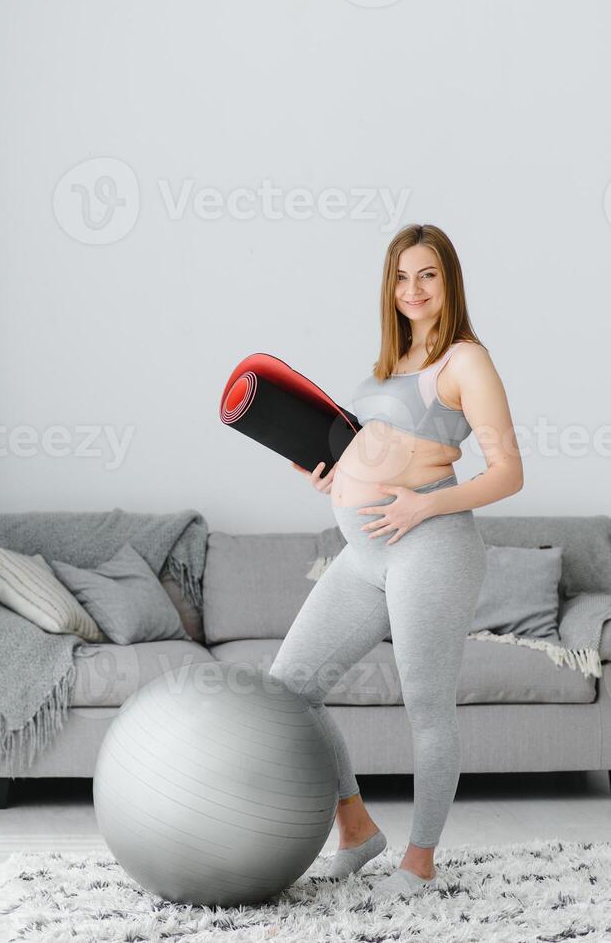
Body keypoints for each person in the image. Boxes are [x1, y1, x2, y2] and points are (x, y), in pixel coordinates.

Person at [268, 222, 523, 901]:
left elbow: (508, 473)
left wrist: (423, 506)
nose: (414, 289)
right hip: (364, 554)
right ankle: (355, 826)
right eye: (402, 277)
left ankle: (421, 858)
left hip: (431, 549)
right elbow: (370, 453)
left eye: (428, 275)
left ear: (449, 282)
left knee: (427, 706)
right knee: (289, 688)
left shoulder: (466, 361)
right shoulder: (386, 366)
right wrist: (332, 477)